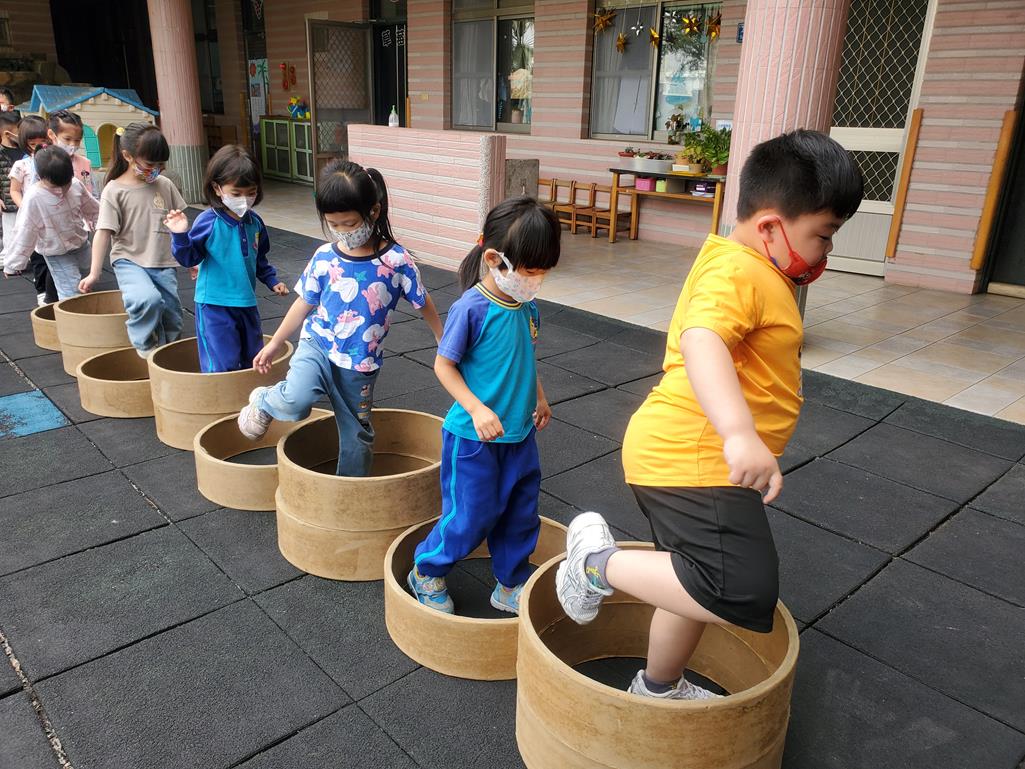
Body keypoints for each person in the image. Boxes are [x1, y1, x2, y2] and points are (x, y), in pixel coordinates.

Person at [556, 130, 864, 699]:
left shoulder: (748, 266)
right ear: (770, 227)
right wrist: (740, 433)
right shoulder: (739, 273)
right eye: (823, 236)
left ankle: (659, 685)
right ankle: (595, 564)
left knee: (691, 579)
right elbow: (702, 339)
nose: (826, 252)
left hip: (696, 458)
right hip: (691, 458)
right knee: (738, 591)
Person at [236, 159, 444, 476]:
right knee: (296, 401)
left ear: (373, 211)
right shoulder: (325, 258)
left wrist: (441, 337)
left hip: (360, 362)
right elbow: (304, 303)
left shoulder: (395, 260)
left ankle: (348, 490)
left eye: (349, 223)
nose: (343, 232)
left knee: (357, 435)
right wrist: (276, 342)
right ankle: (265, 400)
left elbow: (422, 300)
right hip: (318, 344)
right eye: (334, 225)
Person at [407, 197, 561, 616]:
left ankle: (510, 584)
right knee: (470, 515)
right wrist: (476, 409)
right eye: (531, 271)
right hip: (473, 440)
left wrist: (540, 397)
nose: (536, 280)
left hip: (519, 435)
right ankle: (426, 570)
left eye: (543, 271)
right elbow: (444, 365)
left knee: (520, 514)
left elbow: (526, 357)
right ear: (494, 259)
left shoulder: (527, 308)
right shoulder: (471, 309)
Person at [164, 145, 287, 372]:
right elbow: (189, 257)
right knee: (221, 363)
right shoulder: (209, 222)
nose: (244, 200)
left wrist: (272, 280)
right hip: (215, 304)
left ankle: (249, 395)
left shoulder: (255, 223)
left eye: (251, 192)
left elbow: (259, 258)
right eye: (236, 194)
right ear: (217, 188)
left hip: (247, 302)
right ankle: (218, 394)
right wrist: (180, 235)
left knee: (253, 359)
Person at [78, 123, 186, 358]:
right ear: (127, 156)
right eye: (150, 164)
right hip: (129, 260)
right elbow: (103, 232)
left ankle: (167, 357)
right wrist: (94, 273)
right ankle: (145, 345)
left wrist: (192, 258)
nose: (156, 170)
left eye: (161, 165)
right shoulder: (114, 190)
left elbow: (180, 222)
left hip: (162, 261)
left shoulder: (164, 184)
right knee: (146, 299)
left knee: (173, 316)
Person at [2, 147, 98, 299]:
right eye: (55, 186)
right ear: (40, 177)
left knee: (87, 280)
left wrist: (102, 223)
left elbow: (92, 207)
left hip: (80, 243)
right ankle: (69, 309)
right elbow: (24, 231)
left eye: (65, 183)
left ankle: (56, 302)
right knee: (71, 290)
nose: (61, 190)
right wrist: (13, 263)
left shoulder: (75, 185)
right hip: (56, 251)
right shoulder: (34, 197)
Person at [9, 115, 54, 304]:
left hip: (52, 214)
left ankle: (57, 288)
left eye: (41, 142)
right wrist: (25, 207)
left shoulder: (53, 160)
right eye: (32, 143)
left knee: (56, 252)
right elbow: (14, 190)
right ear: (24, 142)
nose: (37, 146)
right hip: (33, 217)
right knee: (38, 255)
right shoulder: (21, 165)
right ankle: (42, 290)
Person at [47, 110, 93, 194]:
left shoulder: (85, 163)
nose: (73, 144)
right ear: (51, 134)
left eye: (77, 140)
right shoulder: (43, 162)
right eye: (67, 139)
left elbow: (91, 190)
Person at [0, 111, 21, 259]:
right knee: (10, 237)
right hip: (9, 204)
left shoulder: (25, 150)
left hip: (24, 201)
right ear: (7, 134)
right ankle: (8, 262)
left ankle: (22, 261)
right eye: (20, 132)